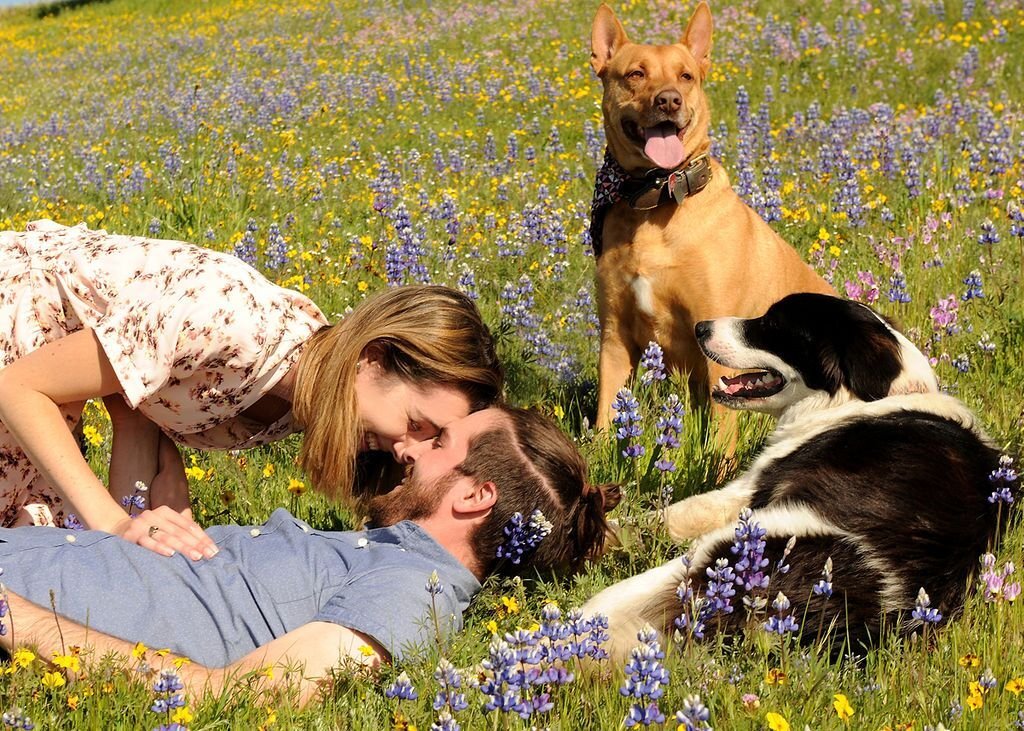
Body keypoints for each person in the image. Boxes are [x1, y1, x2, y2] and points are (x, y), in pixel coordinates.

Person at [0, 405, 619, 705]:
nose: (412, 448)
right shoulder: (381, 548)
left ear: (475, 496)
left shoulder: (415, 591)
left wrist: (19, 622)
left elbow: (236, 695)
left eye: (441, 443)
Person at [0, 220, 502, 559]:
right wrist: (113, 525)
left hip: (50, 371)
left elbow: (135, 407)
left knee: (60, 566)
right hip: (17, 324)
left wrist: (142, 518)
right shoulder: (229, 325)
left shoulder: (299, 399)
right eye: (416, 424)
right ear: (371, 357)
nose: (406, 450)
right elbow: (18, 388)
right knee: (31, 568)